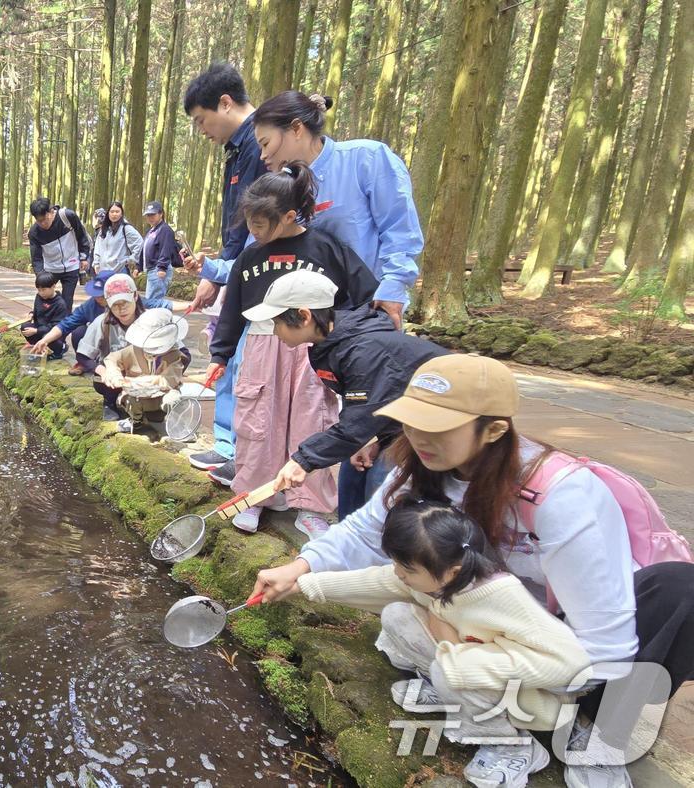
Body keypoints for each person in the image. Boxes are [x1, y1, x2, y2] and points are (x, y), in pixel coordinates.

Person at [253, 354, 694, 788]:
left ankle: (594, 738)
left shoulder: (561, 496)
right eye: (412, 420)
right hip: (491, 616)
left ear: (495, 429)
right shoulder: (422, 468)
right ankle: (489, 698)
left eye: (438, 427)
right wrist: (299, 568)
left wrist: (551, 693)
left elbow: (603, 635)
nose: (419, 437)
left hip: (564, 634)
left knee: (670, 599)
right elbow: (366, 531)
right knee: (400, 623)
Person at [292, 500, 589, 787]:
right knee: (397, 616)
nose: (398, 574)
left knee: (452, 672)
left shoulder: (502, 596)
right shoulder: (438, 575)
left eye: (406, 570)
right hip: (466, 662)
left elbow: (572, 663)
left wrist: (459, 662)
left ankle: (511, 745)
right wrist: (303, 586)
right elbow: (380, 581)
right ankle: (447, 688)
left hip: (533, 699)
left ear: (453, 572)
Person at [203, 164, 378, 536]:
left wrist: (350, 336)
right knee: (257, 421)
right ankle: (253, 496)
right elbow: (232, 306)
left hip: (314, 348)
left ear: (287, 216)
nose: (254, 231)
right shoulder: (250, 258)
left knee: (312, 419)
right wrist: (220, 354)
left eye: (261, 224)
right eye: (249, 222)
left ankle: (311, 505)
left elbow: (363, 294)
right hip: (264, 342)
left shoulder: (325, 246)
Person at [252, 270, 449, 518]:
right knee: (352, 473)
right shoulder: (333, 345)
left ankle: (383, 549)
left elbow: (360, 421)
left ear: (304, 316)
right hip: (401, 428)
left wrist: (302, 460)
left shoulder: (365, 351)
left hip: (441, 431)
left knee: (381, 484)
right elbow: (373, 407)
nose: (274, 332)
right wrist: (373, 441)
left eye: (276, 323)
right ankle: (351, 546)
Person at [251, 91, 422, 330]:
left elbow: (399, 229)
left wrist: (393, 287)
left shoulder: (365, 159)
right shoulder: (280, 188)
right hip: (307, 323)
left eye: (266, 143)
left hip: (368, 310)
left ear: (296, 129)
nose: (263, 155)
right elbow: (256, 248)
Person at [179, 62, 269, 479]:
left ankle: (244, 455)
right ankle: (228, 445)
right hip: (237, 272)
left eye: (201, 120)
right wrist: (215, 277)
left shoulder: (258, 145)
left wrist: (222, 271)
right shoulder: (237, 150)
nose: (202, 131)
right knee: (230, 357)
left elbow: (259, 224)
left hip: (259, 278)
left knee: (249, 365)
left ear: (225, 103)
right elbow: (237, 224)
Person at [100, 308, 191, 433]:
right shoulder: (133, 350)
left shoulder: (175, 356)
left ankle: (175, 424)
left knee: (174, 400)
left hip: (162, 396)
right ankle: (136, 421)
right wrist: (113, 374)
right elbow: (112, 359)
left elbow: (167, 380)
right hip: (138, 398)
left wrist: (131, 382)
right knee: (131, 401)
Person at [83, 274, 145, 421]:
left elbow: (181, 354)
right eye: (115, 305)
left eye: (125, 303)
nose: (121, 310)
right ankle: (109, 403)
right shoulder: (102, 323)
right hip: (113, 378)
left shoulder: (150, 320)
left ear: (135, 296)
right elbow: (83, 356)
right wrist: (103, 372)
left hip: (143, 376)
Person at [30, 269, 113, 375]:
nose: (98, 298)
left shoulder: (132, 306)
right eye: (96, 295)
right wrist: (44, 340)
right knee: (79, 332)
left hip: (122, 345)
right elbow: (66, 323)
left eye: (102, 295)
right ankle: (86, 362)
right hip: (101, 339)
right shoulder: (91, 305)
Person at [28, 196, 92, 312]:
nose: (42, 223)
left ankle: (63, 328)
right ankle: (42, 324)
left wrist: (83, 257)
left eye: (45, 219)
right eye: (39, 221)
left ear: (51, 211)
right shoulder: (34, 233)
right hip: (51, 268)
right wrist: (41, 275)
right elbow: (36, 258)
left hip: (71, 265)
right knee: (44, 297)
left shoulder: (67, 217)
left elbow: (82, 236)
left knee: (67, 302)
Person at [139, 201, 180, 309]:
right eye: (148, 215)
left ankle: (158, 323)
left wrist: (162, 267)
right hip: (152, 270)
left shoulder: (165, 229)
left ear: (161, 214)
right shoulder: (151, 231)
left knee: (154, 302)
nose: (150, 217)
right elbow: (144, 249)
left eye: (153, 214)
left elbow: (166, 249)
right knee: (151, 301)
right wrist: (139, 267)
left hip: (159, 270)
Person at [22, 272, 70, 358]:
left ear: (53, 286)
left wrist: (37, 331)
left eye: (43, 290)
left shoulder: (60, 304)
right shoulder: (39, 297)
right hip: (40, 326)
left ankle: (60, 349)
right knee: (25, 327)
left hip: (52, 331)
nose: (41, 293)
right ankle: (36, 346)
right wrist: (31, 314)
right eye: (39, 290)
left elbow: (56, 326)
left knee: (47, 336)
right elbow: (36, 311)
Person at [92, 201, 144, 276]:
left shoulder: (126, 228)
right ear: (108, 213)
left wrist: (130, 260)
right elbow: (98, 248)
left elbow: (139, 244)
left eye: (117, 212)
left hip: (120, 271)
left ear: (121, 213)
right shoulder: (103, 230)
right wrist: (96, 263)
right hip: (103, 272)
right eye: (112, 212)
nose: (114, 214)